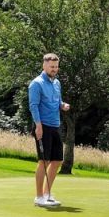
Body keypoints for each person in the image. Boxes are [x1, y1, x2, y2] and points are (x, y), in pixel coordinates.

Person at [29, 53, 70, 208]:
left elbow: (58, 101)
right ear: (44, 66)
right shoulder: (36, 83)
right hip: (42, 125)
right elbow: (33, 106)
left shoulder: (57, 83)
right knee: (44, 161)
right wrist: (38, 126)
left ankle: (47, 194)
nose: (54, 69)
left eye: (56, 66)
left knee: (57, 160)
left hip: (55, 125)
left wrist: (63, 105)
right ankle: (39, 197)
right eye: (52, 66)